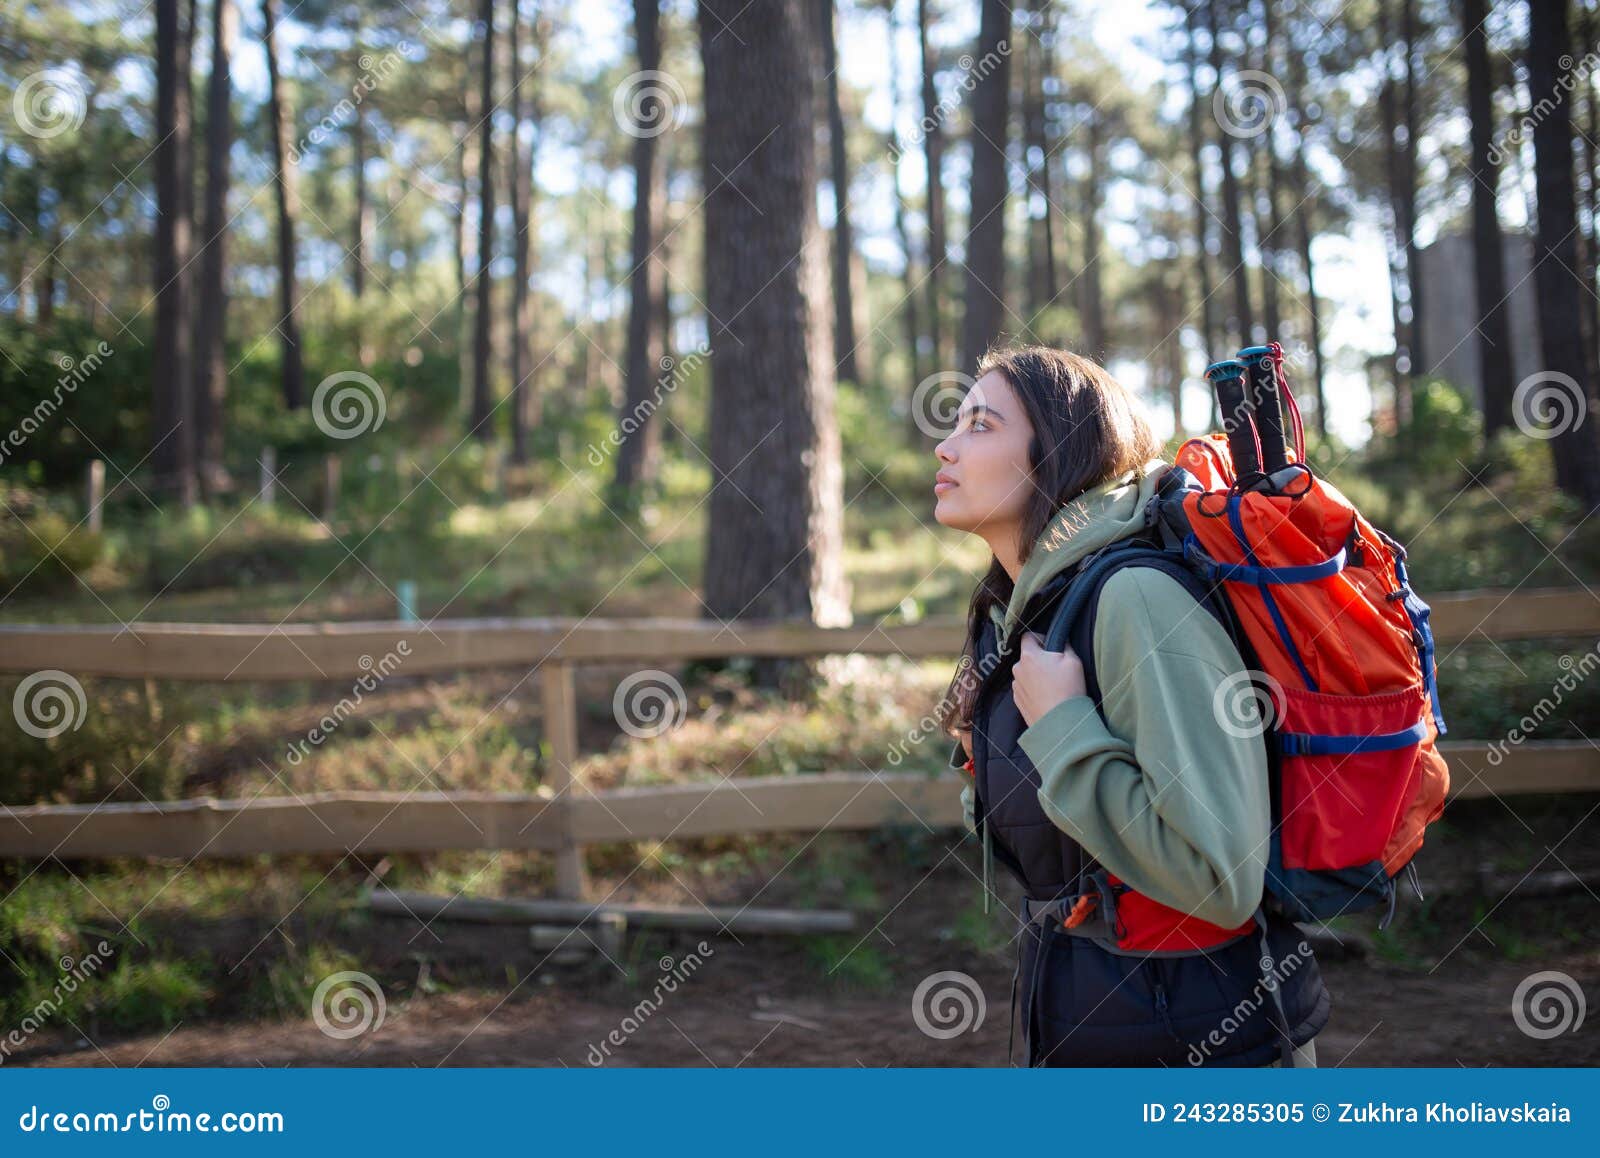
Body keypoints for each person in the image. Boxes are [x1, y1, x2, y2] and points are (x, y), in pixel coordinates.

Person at [932, 345, 1330, 1068]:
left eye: (981, 425)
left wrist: (1059, 727)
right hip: (1103, 1020)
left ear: (1059, 452)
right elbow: (1064, 854)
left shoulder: (1136, 600)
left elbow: (1219, 877)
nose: (946, 445)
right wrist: (989, 750)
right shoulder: (1035, 609)